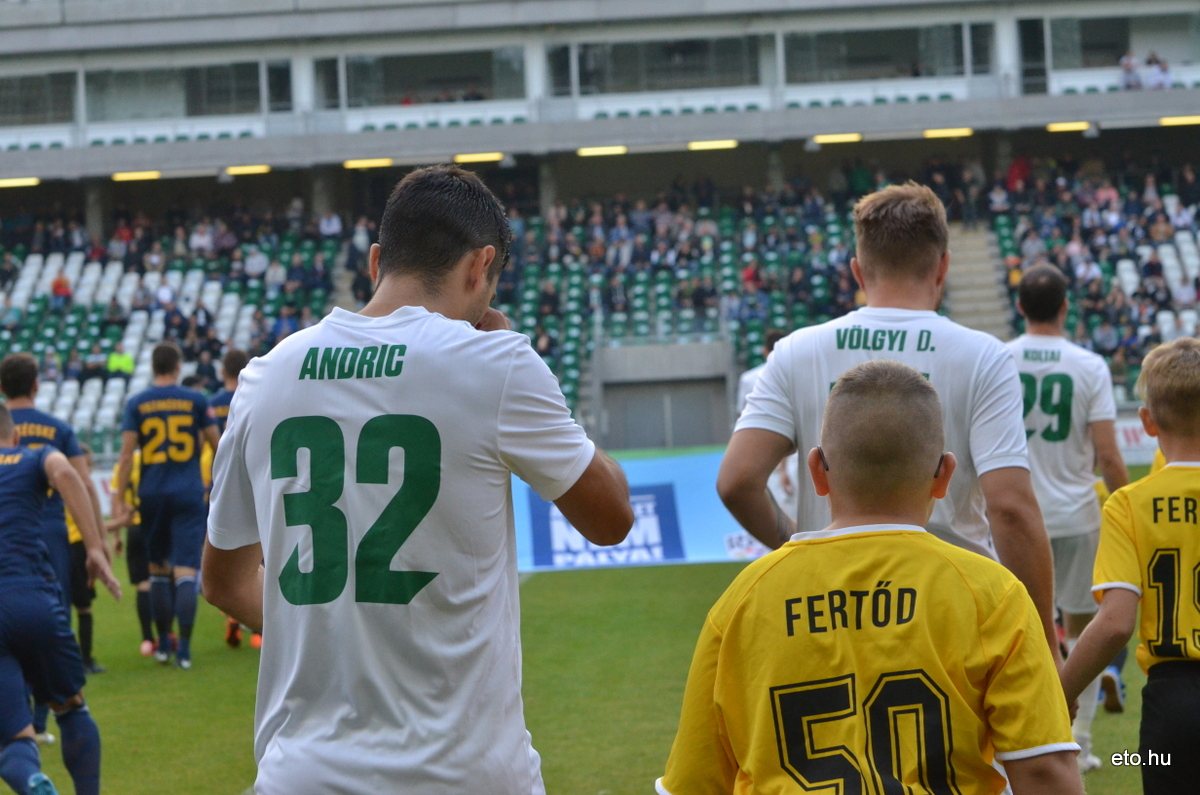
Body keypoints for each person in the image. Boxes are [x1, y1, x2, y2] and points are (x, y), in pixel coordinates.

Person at [203, 165, 635, 794]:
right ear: (479, 265)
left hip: (304, 775)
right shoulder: (497, 363)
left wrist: (334, 631)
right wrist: (514, 356)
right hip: (466, 775)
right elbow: (612, 516)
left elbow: (223, 582)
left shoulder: (265, 376)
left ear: (378, 260)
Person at [660, 361, 1083, 795]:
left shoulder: (743, 601)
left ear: (817, 471)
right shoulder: (993, 593)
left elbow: (693, 784)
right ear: (944, 475)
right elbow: (1045, 771)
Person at [719, 183, 1060, 662]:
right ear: (942, 265)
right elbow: (1010, 509)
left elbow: (736, 482)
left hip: (831, 614)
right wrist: (1045, 638)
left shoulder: (797, 350)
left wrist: (802, 543)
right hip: (950, 610)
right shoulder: (984, 355)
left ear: (858, 270)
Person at [1060, 338, 1200, 795]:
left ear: (1147, 421)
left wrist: (1060, 692)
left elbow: (1116, 623)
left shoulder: (1127, 504)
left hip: (1173, 706)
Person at [1006, 266, 1129, 773]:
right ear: (1065, 307)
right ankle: (1078, 742)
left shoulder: (998, 358)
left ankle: (1017, 742)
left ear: (1020, 307)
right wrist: (1130, 513)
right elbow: (1109, 455)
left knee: (1015, 632)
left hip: (1015, 517)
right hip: (1076, 515)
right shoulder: (1088, 365)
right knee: (1082, 628)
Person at [0, 402, 121, 795]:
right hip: (33, 598)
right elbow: (68, 473)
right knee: (71, 709)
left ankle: (33, 782)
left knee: (15, 739)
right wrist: (95, 548)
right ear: (15, 435)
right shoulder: (34, 455)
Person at [0, 353, 107, 740]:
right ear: (35, 385)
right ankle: (47, 719)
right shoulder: (57, 428)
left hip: (8, 532)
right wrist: (98, 539)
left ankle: (19, 723)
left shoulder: (7, 425)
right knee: (48, 620)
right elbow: (81, 480)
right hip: (49, 532)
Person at [112, 342, 220, 670]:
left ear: (153, 366)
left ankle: (162, 645)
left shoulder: (137, 403)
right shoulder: (196, 400)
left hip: (153, 493)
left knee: (158, 570)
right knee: (186, 571)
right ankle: (184, 651)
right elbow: (219, 446)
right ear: (176, 366)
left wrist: (118, 498)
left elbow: (127, 454)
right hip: (189, 492)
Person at [206, 348, 256, 649]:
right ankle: (259, 631)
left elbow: (209, 451)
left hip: (220, 488)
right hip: (256, 484)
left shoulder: (210, 404)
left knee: (229, 558)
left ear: (223, 371)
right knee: (256, 558)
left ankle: (233, 618)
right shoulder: (257, 396)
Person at [64, 444, 110, 675]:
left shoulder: (58, 481)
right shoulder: (81, 486)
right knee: (84, 608)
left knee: (63, 608)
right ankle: (85, 661)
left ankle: (67, 662)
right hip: (78, 545)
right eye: (88, 464)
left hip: (60, 546)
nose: (89, 470)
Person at [107, 450, 156, 657]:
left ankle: (147, 639)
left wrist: (117, 535)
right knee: (165, 578)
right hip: (154, 525)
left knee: (143, 585)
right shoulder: (152, 458)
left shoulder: (122, 465)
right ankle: (167, 634)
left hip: (133, 528)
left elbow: (115, 502)